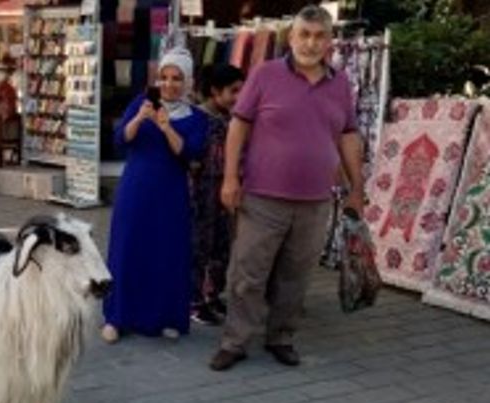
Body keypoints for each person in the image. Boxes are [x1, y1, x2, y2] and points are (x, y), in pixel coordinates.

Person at [210, 5, 364, 371]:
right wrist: (231, 178)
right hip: (263, 197)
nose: (311, 43)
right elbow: (238, 127)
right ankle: (235, 342)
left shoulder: (340, 83)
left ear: (329, 41)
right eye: (304, 34)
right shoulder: (265, 74)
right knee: (248, 274)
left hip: (315, 201)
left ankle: (281, 337)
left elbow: (348, 135)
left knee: (296, 276)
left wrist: (357, 187)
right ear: (291, 37)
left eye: (319, 35)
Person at [101, 47, 208, 343]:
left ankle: (167, 316)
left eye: (176, 78)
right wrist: (139, 119)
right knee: (127, 249)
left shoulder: (197, 117)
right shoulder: (141, 102)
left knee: (167, 252)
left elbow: (190, 153)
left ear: (187, 82)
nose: (169, 84)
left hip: (170, 193)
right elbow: (121, 139)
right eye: (164, 77)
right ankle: (116, 317)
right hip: (135, 190)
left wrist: (166, 127)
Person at [190, 65, 245, 325]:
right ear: (215, 91)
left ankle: (212, 295)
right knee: (202, 245)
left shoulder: (231, 118)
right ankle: (195, 300)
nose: (239, 96)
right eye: (233, 91)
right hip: (204, 191)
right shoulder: (199, 118)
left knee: (222, 245)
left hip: (225, 189)